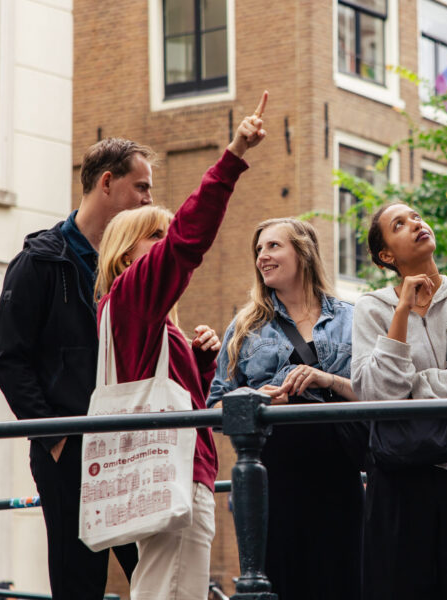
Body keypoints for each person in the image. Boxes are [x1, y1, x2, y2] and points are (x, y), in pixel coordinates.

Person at [93, 91, 267, 599]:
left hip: (171, 469)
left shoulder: (139, 318)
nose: (169, 243)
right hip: (172, 470)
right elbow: (188, 241)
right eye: (157, 237)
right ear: (128, 256)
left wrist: (201, 361)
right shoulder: (130, 298)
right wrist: (231, 159)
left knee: (166, 585)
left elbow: (172, 394)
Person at [0, 137, 152, 598]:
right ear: (107, 182)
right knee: (78, 583)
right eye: (141, 187)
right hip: (72, 455)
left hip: (133, 450)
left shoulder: (132, 264)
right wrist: (56, 438)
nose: (148, 199)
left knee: (159, 573)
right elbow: (9, 360)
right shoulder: (39, 261)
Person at [351, 202, 447, 599]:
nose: (416, 223)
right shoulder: (371, 308)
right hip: (398, 475)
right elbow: (373, 394)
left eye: (417, 215)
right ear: (386, 255)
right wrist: (401, 313)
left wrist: (412, 389)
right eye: (399, 224)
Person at [207, 217, 362, 599]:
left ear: (303, 252)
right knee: (277, 580)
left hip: (339, 472)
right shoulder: (245, 327)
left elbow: (379, 392)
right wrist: (260, 402)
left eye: (274, 246)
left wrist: (328, 380)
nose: (263, 256)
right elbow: (216, 407)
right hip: (271, 476)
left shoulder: (352, 319)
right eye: (259, 249)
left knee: (342, 579)